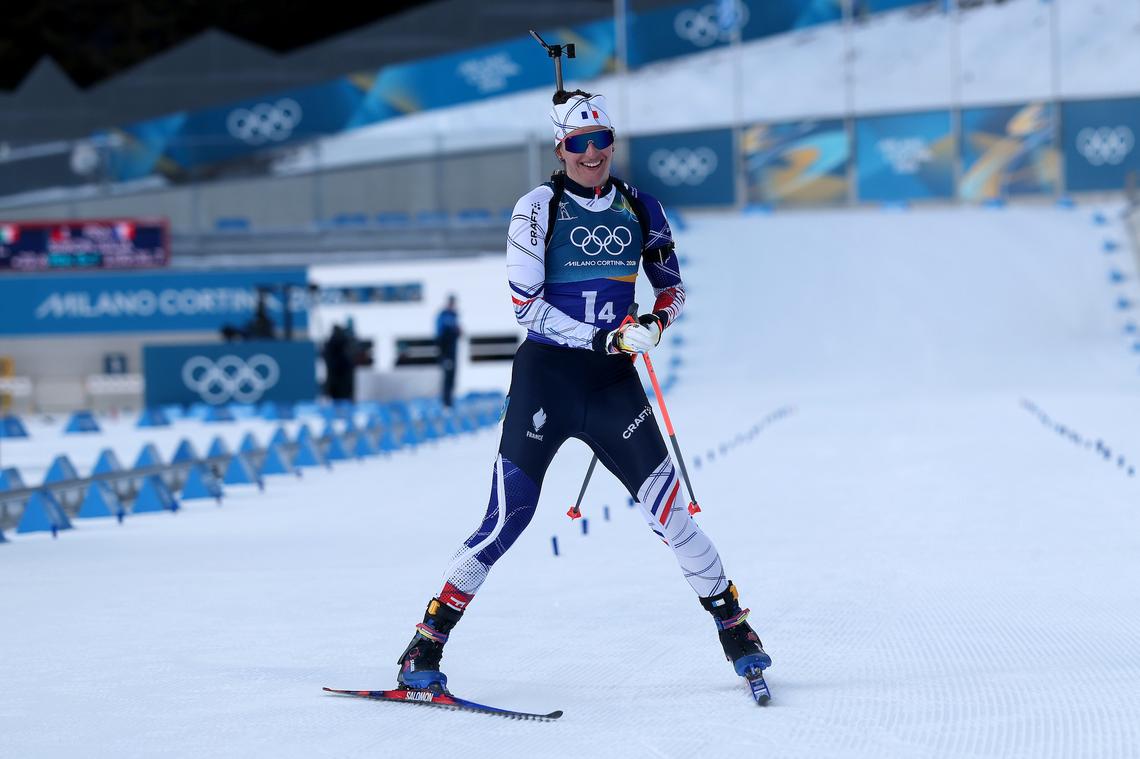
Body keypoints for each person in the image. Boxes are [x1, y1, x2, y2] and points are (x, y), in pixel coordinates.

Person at [394, 90, 770, 692]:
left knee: (671, 514)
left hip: (613, 385)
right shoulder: (537, 209)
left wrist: (654, 323)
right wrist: (603, 339)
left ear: (612, 144)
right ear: (560, 148)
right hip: (548, 380)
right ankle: (425, 644)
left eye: (601, 141)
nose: (591, 153)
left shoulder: (643, 207)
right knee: (507, 519)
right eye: (578, 143)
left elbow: (671, 288)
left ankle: (735, 628)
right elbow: (527, 308)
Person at [435, 295, 462, 407]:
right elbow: (441, 338)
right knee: (447, 378)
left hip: (452, 352)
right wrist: (444, 355)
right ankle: (446, 403)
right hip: (447, 353)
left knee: (452, 378)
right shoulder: (444, 316)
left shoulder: (454, 316)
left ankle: (449, 402)